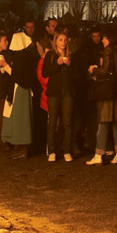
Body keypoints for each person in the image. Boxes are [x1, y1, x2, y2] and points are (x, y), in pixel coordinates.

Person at [86, 28, 117, 166]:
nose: (102, 40)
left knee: (103, 122)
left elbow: (105, 70)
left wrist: (94, 70)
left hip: (108, 91)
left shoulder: (108, 50)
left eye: (104, 38)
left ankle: (99, 154)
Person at [41, 33, 79, 162]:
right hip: (54, 93)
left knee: (67, 122)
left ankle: (67, 150)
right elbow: (45, 73)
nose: (63, 42)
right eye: (60, 40)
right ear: (55, 42)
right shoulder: (50, 56)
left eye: (65, 40)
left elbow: (77, 75)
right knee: (52, 122)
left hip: (67, 92)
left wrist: (69, 65)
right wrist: (57, 63)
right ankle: (52, 151)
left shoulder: (71, 56)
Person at [0, 32, 35, 160]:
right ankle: (19, 147)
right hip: (19, 90)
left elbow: (18, 76)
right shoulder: (25, 56)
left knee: (20, 119)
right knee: (18, 118)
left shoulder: (22, 57)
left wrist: (6, 66)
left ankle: (22, 149)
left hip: (20, 90)